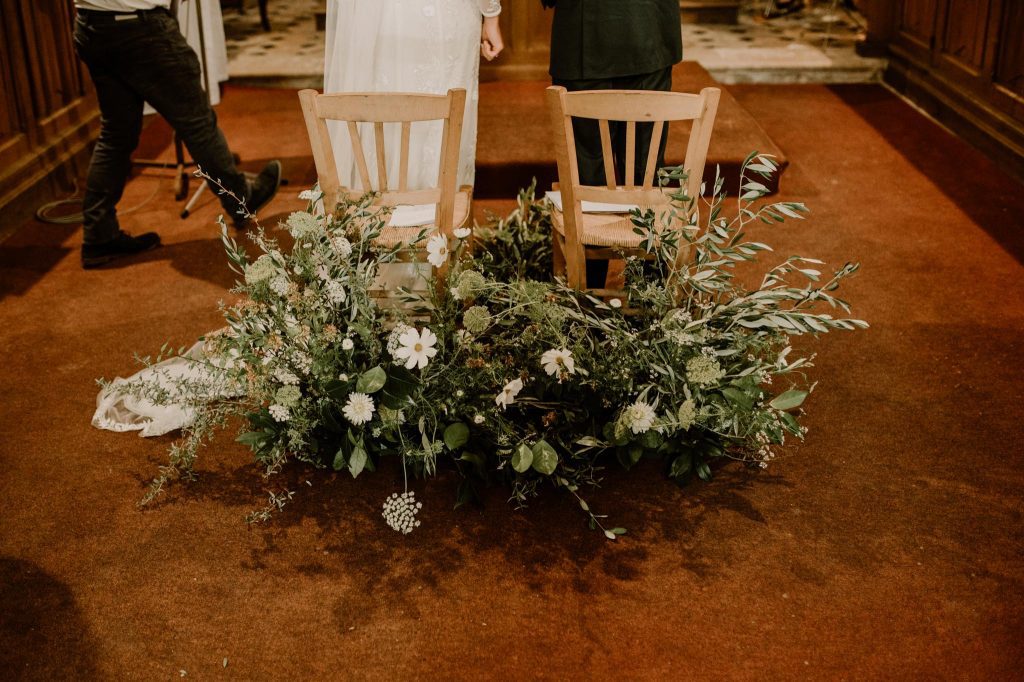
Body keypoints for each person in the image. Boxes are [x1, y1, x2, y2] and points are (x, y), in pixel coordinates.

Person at [73, 0, 282, 269]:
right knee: (197, 123)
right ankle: (241, 199)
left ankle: (98, 233)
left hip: (91, 23)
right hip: (140, 26)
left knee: (116, 134)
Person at [542, 0, 683, 287]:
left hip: (585, 34)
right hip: (649, 29)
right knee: (646, 167)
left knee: (588, 170)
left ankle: (588, 294)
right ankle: (650, 296)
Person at [323, 0, 503, 192]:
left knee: (388, 108)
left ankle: (380, 202)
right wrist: (491, 14)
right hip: (448, 18)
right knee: (443, 112)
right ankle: (441, 207)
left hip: (386, 18)